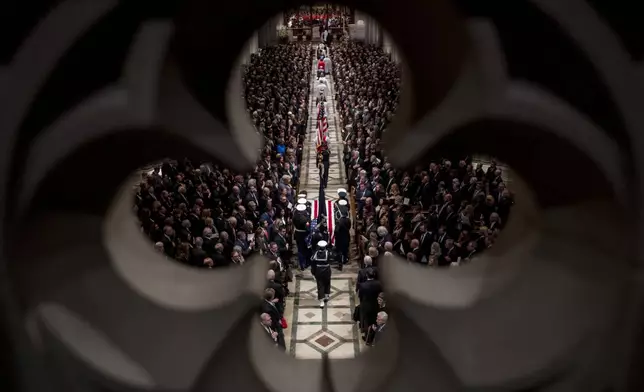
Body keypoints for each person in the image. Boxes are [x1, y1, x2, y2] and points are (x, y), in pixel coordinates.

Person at [311, 240, 332, 308]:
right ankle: (326, 295)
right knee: (327, 283)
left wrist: (313, 272)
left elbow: (313, 263)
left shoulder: (315, 253)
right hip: (327, 271)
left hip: (319, 271)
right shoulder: (327, 253)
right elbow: (330, 259)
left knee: (320, 286)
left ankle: (321, 301)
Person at [293, 203, 310, 270]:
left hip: (297, 233)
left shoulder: (295, 215)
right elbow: (307, 227)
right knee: (305, 249)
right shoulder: (303, 219)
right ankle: (304, 263)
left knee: (300, 249)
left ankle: (301, 264)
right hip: (304, 234)